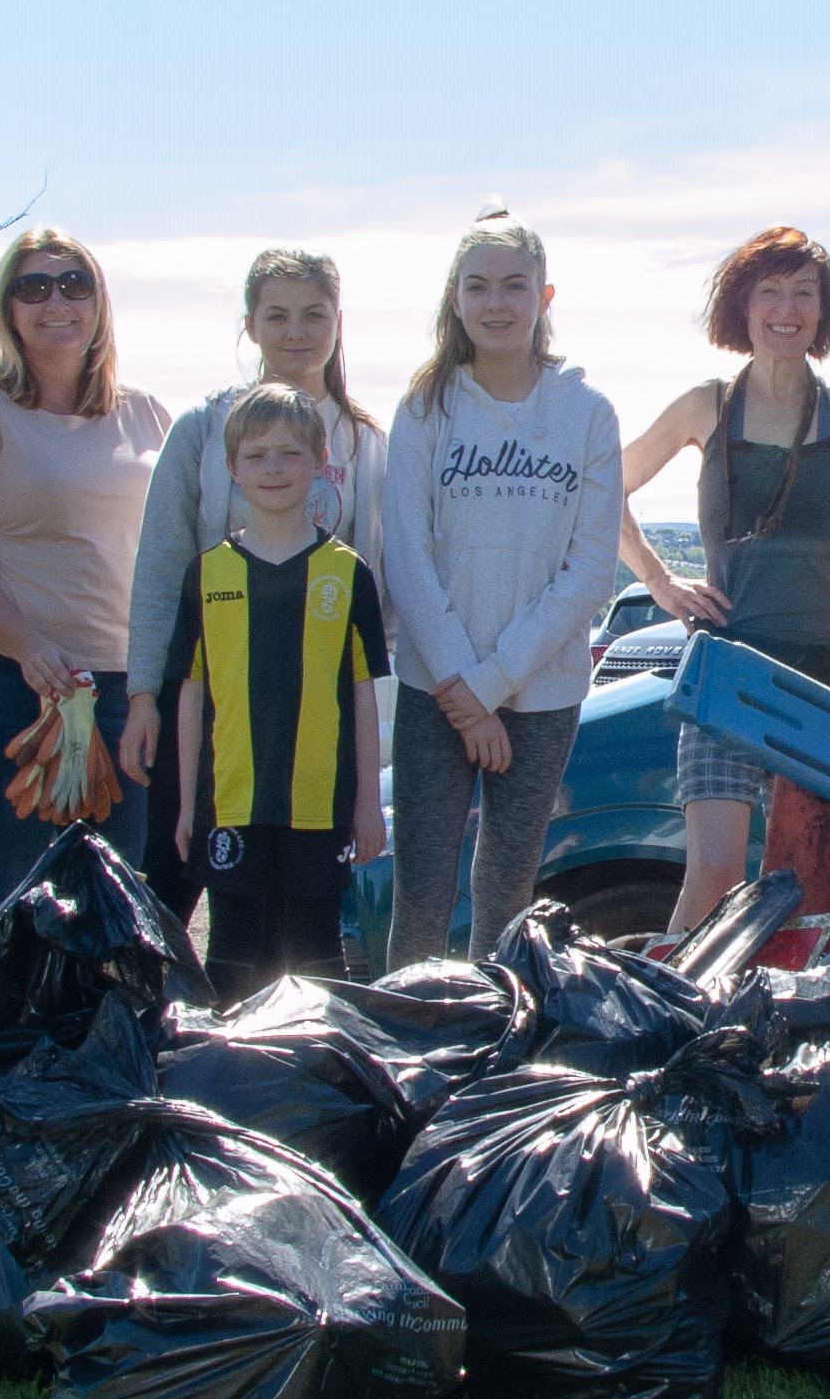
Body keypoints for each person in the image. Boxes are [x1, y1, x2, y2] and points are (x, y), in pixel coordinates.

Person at [616, 226, 830, 928]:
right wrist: (661, 582)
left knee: (819, 877)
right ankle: (677, 1012)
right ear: (741, 308)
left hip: (825, 677)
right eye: (769, 291)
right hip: (726, 673)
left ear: (823, 310)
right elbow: (600, 488)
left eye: (803, 293)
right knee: (713, 871)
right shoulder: (706, 406)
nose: (787, 309)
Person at [375, 208, 623, 967]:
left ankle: (490, 1040)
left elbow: (589, 571)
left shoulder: (586, 413)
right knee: (420, 889)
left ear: (545, 297)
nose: (496, 303)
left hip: (541, 693)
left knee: (508, 890)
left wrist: (493, 683)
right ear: (455, 299)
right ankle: (406, 1036)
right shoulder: (425, 410)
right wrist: (462, 689)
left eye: (515, 286)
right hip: (434, 688)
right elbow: (407, 562)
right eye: (478, 287)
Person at [0, 228, 174, 951]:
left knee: (116, 898)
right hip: (5, 684)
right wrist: (27, 646)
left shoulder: (149, 416)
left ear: (99, 303)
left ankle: (94, 1060)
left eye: (74, 283)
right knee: (9, 897)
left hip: (123, 693)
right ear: (8, 310)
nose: (56, 300)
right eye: (34, 287)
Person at [119, 247, 387, 920]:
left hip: (309, 715)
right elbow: (160, 566)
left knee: (301, 915)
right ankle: (160, 1021)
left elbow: (374, 587)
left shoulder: (364, 442)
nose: (296, 332)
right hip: (211, 699)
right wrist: (146, 693)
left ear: (338, 321)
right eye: (278, 315)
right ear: (251, 326)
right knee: (172, 885)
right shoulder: (206, 431)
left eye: (313, 314)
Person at [165, 385, 390, 1000]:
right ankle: (232, 1083)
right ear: (232, 468)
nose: (272, 468)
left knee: (316, 959)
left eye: (289, 454)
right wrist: (187, 806)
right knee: (234, 959)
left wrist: (368, 803)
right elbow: (190, 694)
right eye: (256, 455)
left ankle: (320, 1082)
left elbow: (365, 695)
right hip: (231, 799)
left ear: (319, 462)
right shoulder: (207, 572)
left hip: (320, 803)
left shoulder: (346, 573)